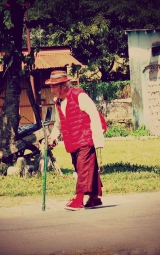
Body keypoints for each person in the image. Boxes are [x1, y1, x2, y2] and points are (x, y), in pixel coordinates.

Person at [46, 70, 105, 211]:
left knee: (84, 168)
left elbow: (94, 115)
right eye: (51, 86)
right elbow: (59, 124)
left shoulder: (80, 96)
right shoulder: (58, 102)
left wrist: (98, 140)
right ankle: (94, 198)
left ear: (63, 86)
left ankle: (79, 199)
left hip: (85, 138)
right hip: (73, 142)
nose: (51, 90)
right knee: (82, 168)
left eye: (54, 86)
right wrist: (53, 137)